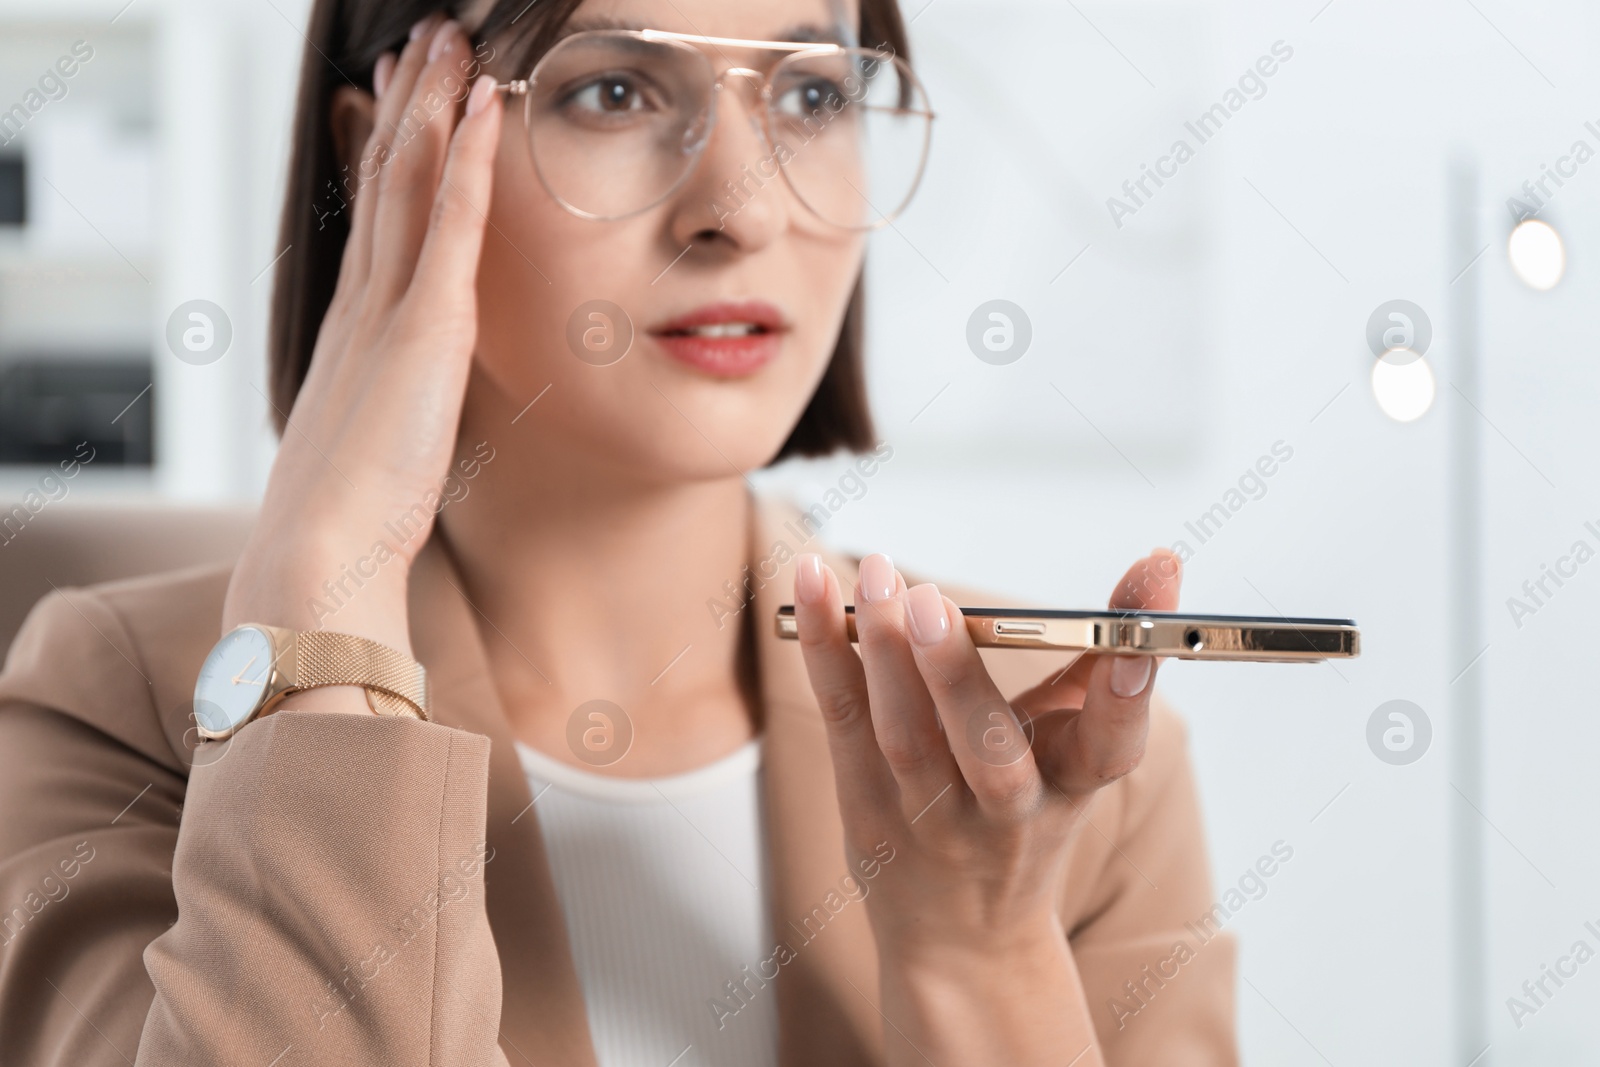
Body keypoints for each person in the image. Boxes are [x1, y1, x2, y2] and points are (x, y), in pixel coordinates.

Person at [0, 1, 1236, 1063]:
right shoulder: (119, 709)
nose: (740, 209)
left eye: (810, 93)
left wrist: (985, 959)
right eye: (613, 89)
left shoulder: (1061, 750)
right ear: (393, 150)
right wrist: (323, 600)